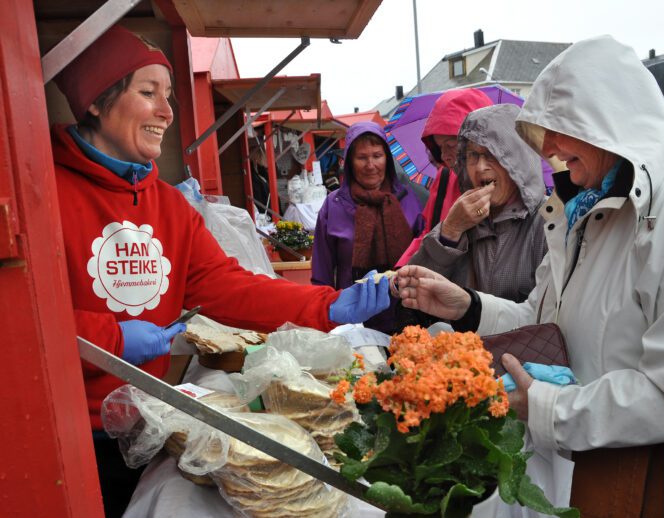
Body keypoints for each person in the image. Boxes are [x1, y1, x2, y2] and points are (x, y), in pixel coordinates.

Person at [395, 35, 664, 517]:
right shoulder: (590, 208)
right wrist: (468, 306)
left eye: (558, 127)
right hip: (592, 477)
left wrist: (549, 410)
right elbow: (546, 318)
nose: (546, 148)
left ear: (604, 123)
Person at [51, 25, 389, 516]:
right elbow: (20, 322)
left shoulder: (169, 205)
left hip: (151, 421)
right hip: (67, 431)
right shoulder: (43, 196)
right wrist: (113, 339)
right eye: (148, 93)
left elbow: (226, 288)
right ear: (97, 103)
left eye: (168, 95)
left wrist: (327, 304)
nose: (167, 111)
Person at [408, 103, 547, 303]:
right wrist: (450, 231)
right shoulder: (463, 219)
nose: (481, 167)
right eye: (473, 155)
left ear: (516, 158)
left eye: (491, 154)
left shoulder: (547, 222)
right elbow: (415, 293)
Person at [311, 121, 424, 334]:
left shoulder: (409, 199)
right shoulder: (334, 206)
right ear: (350, 162)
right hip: (353, 320)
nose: (370, 165)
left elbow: (426, 257)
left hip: (408, 317)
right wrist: (325, 318)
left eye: (377, 156)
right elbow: (322, 273)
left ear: (387, 159)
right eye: (362, 157)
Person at [395, 88, 494, 267]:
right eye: (439, 147)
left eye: (450, 145)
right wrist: (403, 270)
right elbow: (428, 232)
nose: (444, 155)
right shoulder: (446, 177)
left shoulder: (505, 182)